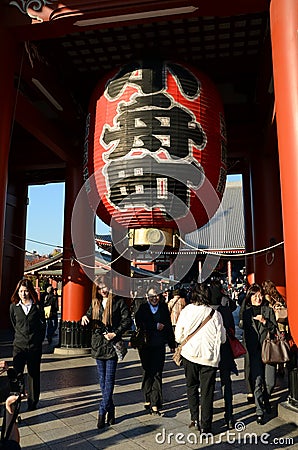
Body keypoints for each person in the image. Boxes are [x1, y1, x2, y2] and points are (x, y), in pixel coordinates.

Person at [175, 282, 226, 434]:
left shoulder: (186, 311)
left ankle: (194, 418)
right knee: (207, 391)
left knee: (191, 386)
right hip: (209, 358)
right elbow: (222, 339)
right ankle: (206, 426)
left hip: (190, 355)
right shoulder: (215, 314)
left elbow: (178, 336)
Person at [81, 278, 131, 430]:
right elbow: (89, 316)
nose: (103, 290)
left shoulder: (118, 302)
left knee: (109, 379)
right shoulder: (95, 303)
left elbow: (127, 320)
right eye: (100, 287)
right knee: (102, 380)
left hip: (111, 346)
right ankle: (111, 408)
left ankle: (102, 411)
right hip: (98, 345)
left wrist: (115, 333)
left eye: (106, 287)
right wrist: (84, 317)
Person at [135, 284, 175, 415]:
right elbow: (139, 322)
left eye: (156, 296)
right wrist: (154, 325)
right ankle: (147, 396)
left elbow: (168, 326)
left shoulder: (163, 308)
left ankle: (155, 403)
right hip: (145, 345)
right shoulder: (142, 308)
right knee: (147, 372)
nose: (154, 298)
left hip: (159, 345)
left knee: (157, 373)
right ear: (147, 296)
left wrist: (172, 343)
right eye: (151, 296)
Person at [240, 283, 278, 425]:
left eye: (260, 295)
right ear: (250, 297)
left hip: (268, 350)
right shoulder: (246, 313)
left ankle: (266, 399)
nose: (258, 298)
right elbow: (243, 331)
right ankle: (259, 411)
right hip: (254, 352)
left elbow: (274, 329)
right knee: (257, 382)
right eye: (255, 296)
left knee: (270, 382)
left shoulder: (268, 310)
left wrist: (264, 321)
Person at [10, 278, 45, 411]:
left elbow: (42, 326)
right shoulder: (14, 307)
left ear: (30, 292)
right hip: (19, 345)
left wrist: (38, 340)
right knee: (17, 374)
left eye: (25, 291)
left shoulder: (37, 306)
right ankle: (16, 399)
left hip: (34, 347)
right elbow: (14, 324)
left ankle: (33, 401)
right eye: (20, 291)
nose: (23, 294)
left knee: (33, 374)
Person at [208, 286, 238, 430]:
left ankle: (207, 417)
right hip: (225, 351)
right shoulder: (225, 311)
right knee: (226, 383)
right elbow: (232, 329)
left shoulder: (206, 311)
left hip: (210, 352)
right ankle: (229, 415)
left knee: (209, 384)